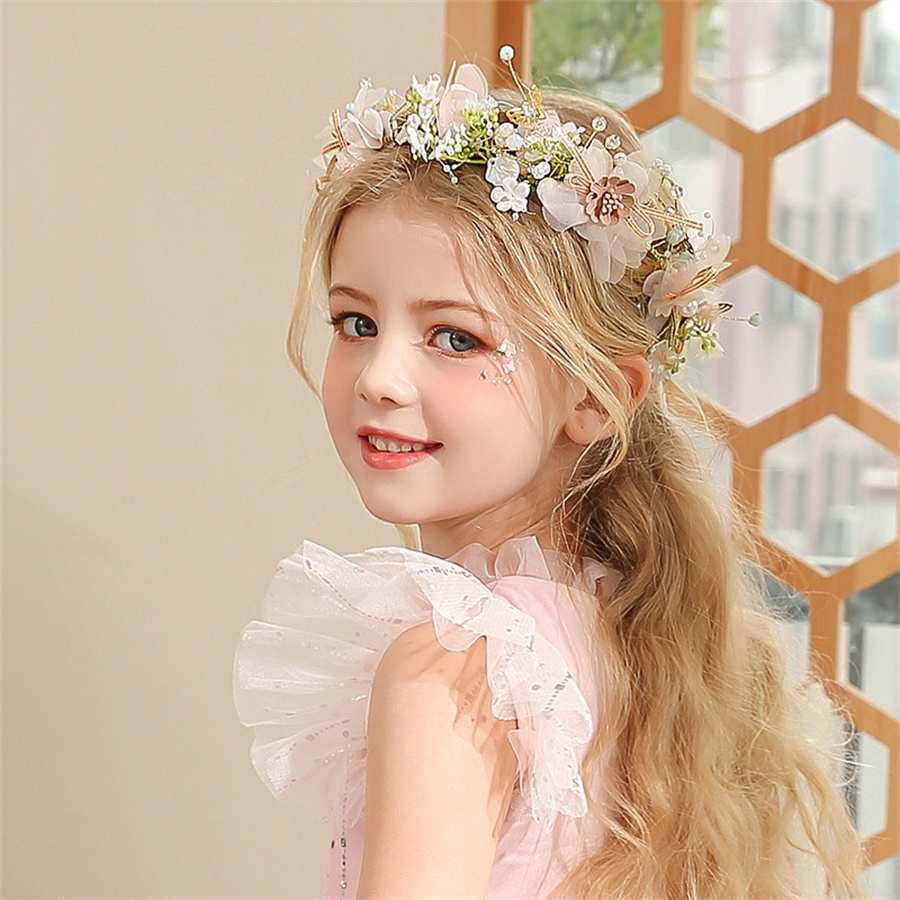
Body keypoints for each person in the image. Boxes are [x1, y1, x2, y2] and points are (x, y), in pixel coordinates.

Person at [233, 46, 868, 899]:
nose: (380, 377)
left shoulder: (451, 670)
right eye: (356, 323)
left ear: (597, 397)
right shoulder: (622, 635)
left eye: (455, 337)